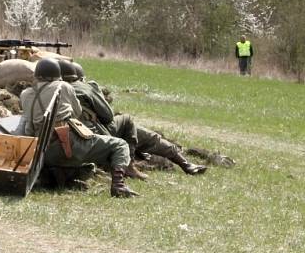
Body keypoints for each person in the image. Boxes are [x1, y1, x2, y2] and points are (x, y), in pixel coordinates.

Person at [18, 58, 139, 197]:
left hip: (41, 152)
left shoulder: (25, 94)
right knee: (120, 145)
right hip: (67, 144)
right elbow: (77, 112)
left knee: (85, 167)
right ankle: (119, 185)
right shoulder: (63, 87)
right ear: (58, 75)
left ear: (37, 75)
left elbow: (27, 123)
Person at [67, 61, 207, 176]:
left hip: (71, 139)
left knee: (140, 133)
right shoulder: (83, 87)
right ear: (80, 77)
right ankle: (131, 164)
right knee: (134, 125)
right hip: (93, 133)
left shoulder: (54, 89)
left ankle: (184, 163)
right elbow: (108, 116)